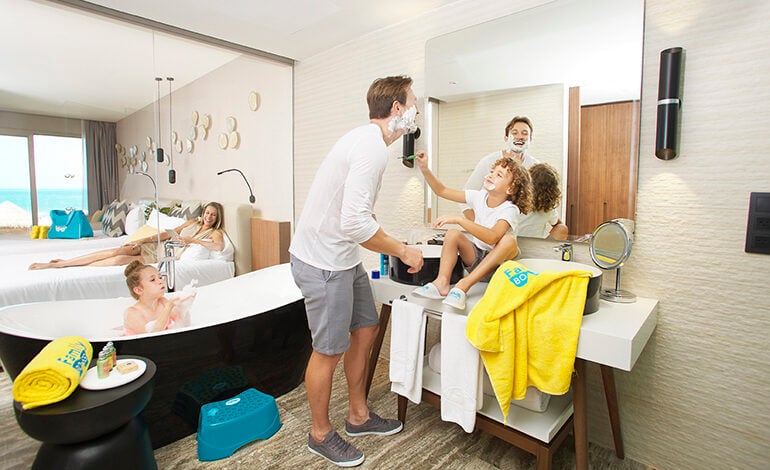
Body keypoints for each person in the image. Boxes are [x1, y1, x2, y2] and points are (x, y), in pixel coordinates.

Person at [289, 75, 424, 467]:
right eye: (412, 103)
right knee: (329, 350)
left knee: (365, 329)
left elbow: (355, 209)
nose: (414, 112)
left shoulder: (364, 141)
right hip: (322, 262)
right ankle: (319, 433)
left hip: (344, 259)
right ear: (397, 109)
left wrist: (376, 225)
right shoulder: (372, 148)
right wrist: (403, 250)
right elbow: (354, 224)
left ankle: (359, 416)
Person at [412, 153, 533, 310]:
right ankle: (441, 282)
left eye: (499, 175)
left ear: (510, 188)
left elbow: (493, 237)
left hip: (499, 267)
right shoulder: (479, 197)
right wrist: (424, 168)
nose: (491, 175)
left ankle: (463, 285)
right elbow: (441, 191)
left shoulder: (510, 210)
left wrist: (460, 220)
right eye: (492, 171)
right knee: (453, 234)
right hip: (477, 259)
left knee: (508, 241)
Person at [28, 202, 226, 270]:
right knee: (117, 249)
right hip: (155, 245)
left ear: (217, 218)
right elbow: (167, 233)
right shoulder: (193, 222)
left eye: (213, 215)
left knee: (118, 260)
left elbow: (218, 248)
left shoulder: (215, 233)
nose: (208, 217)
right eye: (207, 212)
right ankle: (60, 263)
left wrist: (192, 241)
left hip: (164, 256)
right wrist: (142, 239)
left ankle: (75, 266)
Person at [462, 115, 539, 221]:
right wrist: (480, 227)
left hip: (522, 230)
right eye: (514, 133)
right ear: (506, 138)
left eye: (524, 133)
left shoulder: (535, 166)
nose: (519, 137)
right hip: (492, 229)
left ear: (530, 139)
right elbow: (464, 199)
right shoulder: (489, 161)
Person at [123, 261, 185, 335]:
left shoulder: (163, 302)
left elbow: (182, 323)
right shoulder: (132, 313)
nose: (161, 281)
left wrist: (184, 305)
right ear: (139, 290)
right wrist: (168, 308)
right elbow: (151, 338)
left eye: (160, 277)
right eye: (153, 280)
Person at [518, 163, 569, 240]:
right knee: (562, 228)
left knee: (562, 228)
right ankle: (546, 247)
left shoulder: (516, 201)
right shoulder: (547, 209)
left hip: (512, 244)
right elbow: (558, 225)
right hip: (534, 246)